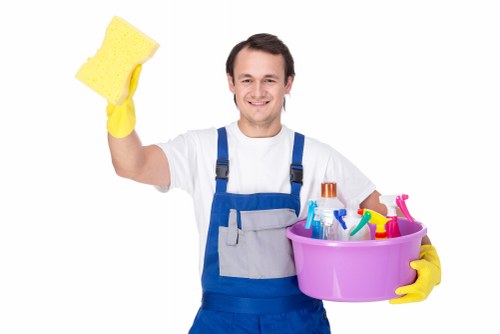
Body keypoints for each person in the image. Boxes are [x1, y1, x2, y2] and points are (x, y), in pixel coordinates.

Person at [104, 33, 441, 333]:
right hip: (222, 321)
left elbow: (386, 216)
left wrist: (426, 255)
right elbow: (132, 165)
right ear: (231, 83)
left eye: (270, 80)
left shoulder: (318, 156)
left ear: (288, 83)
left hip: (298, 321)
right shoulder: (199, 148)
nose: (258, 92)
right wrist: (118, 110)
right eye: (247, 79)